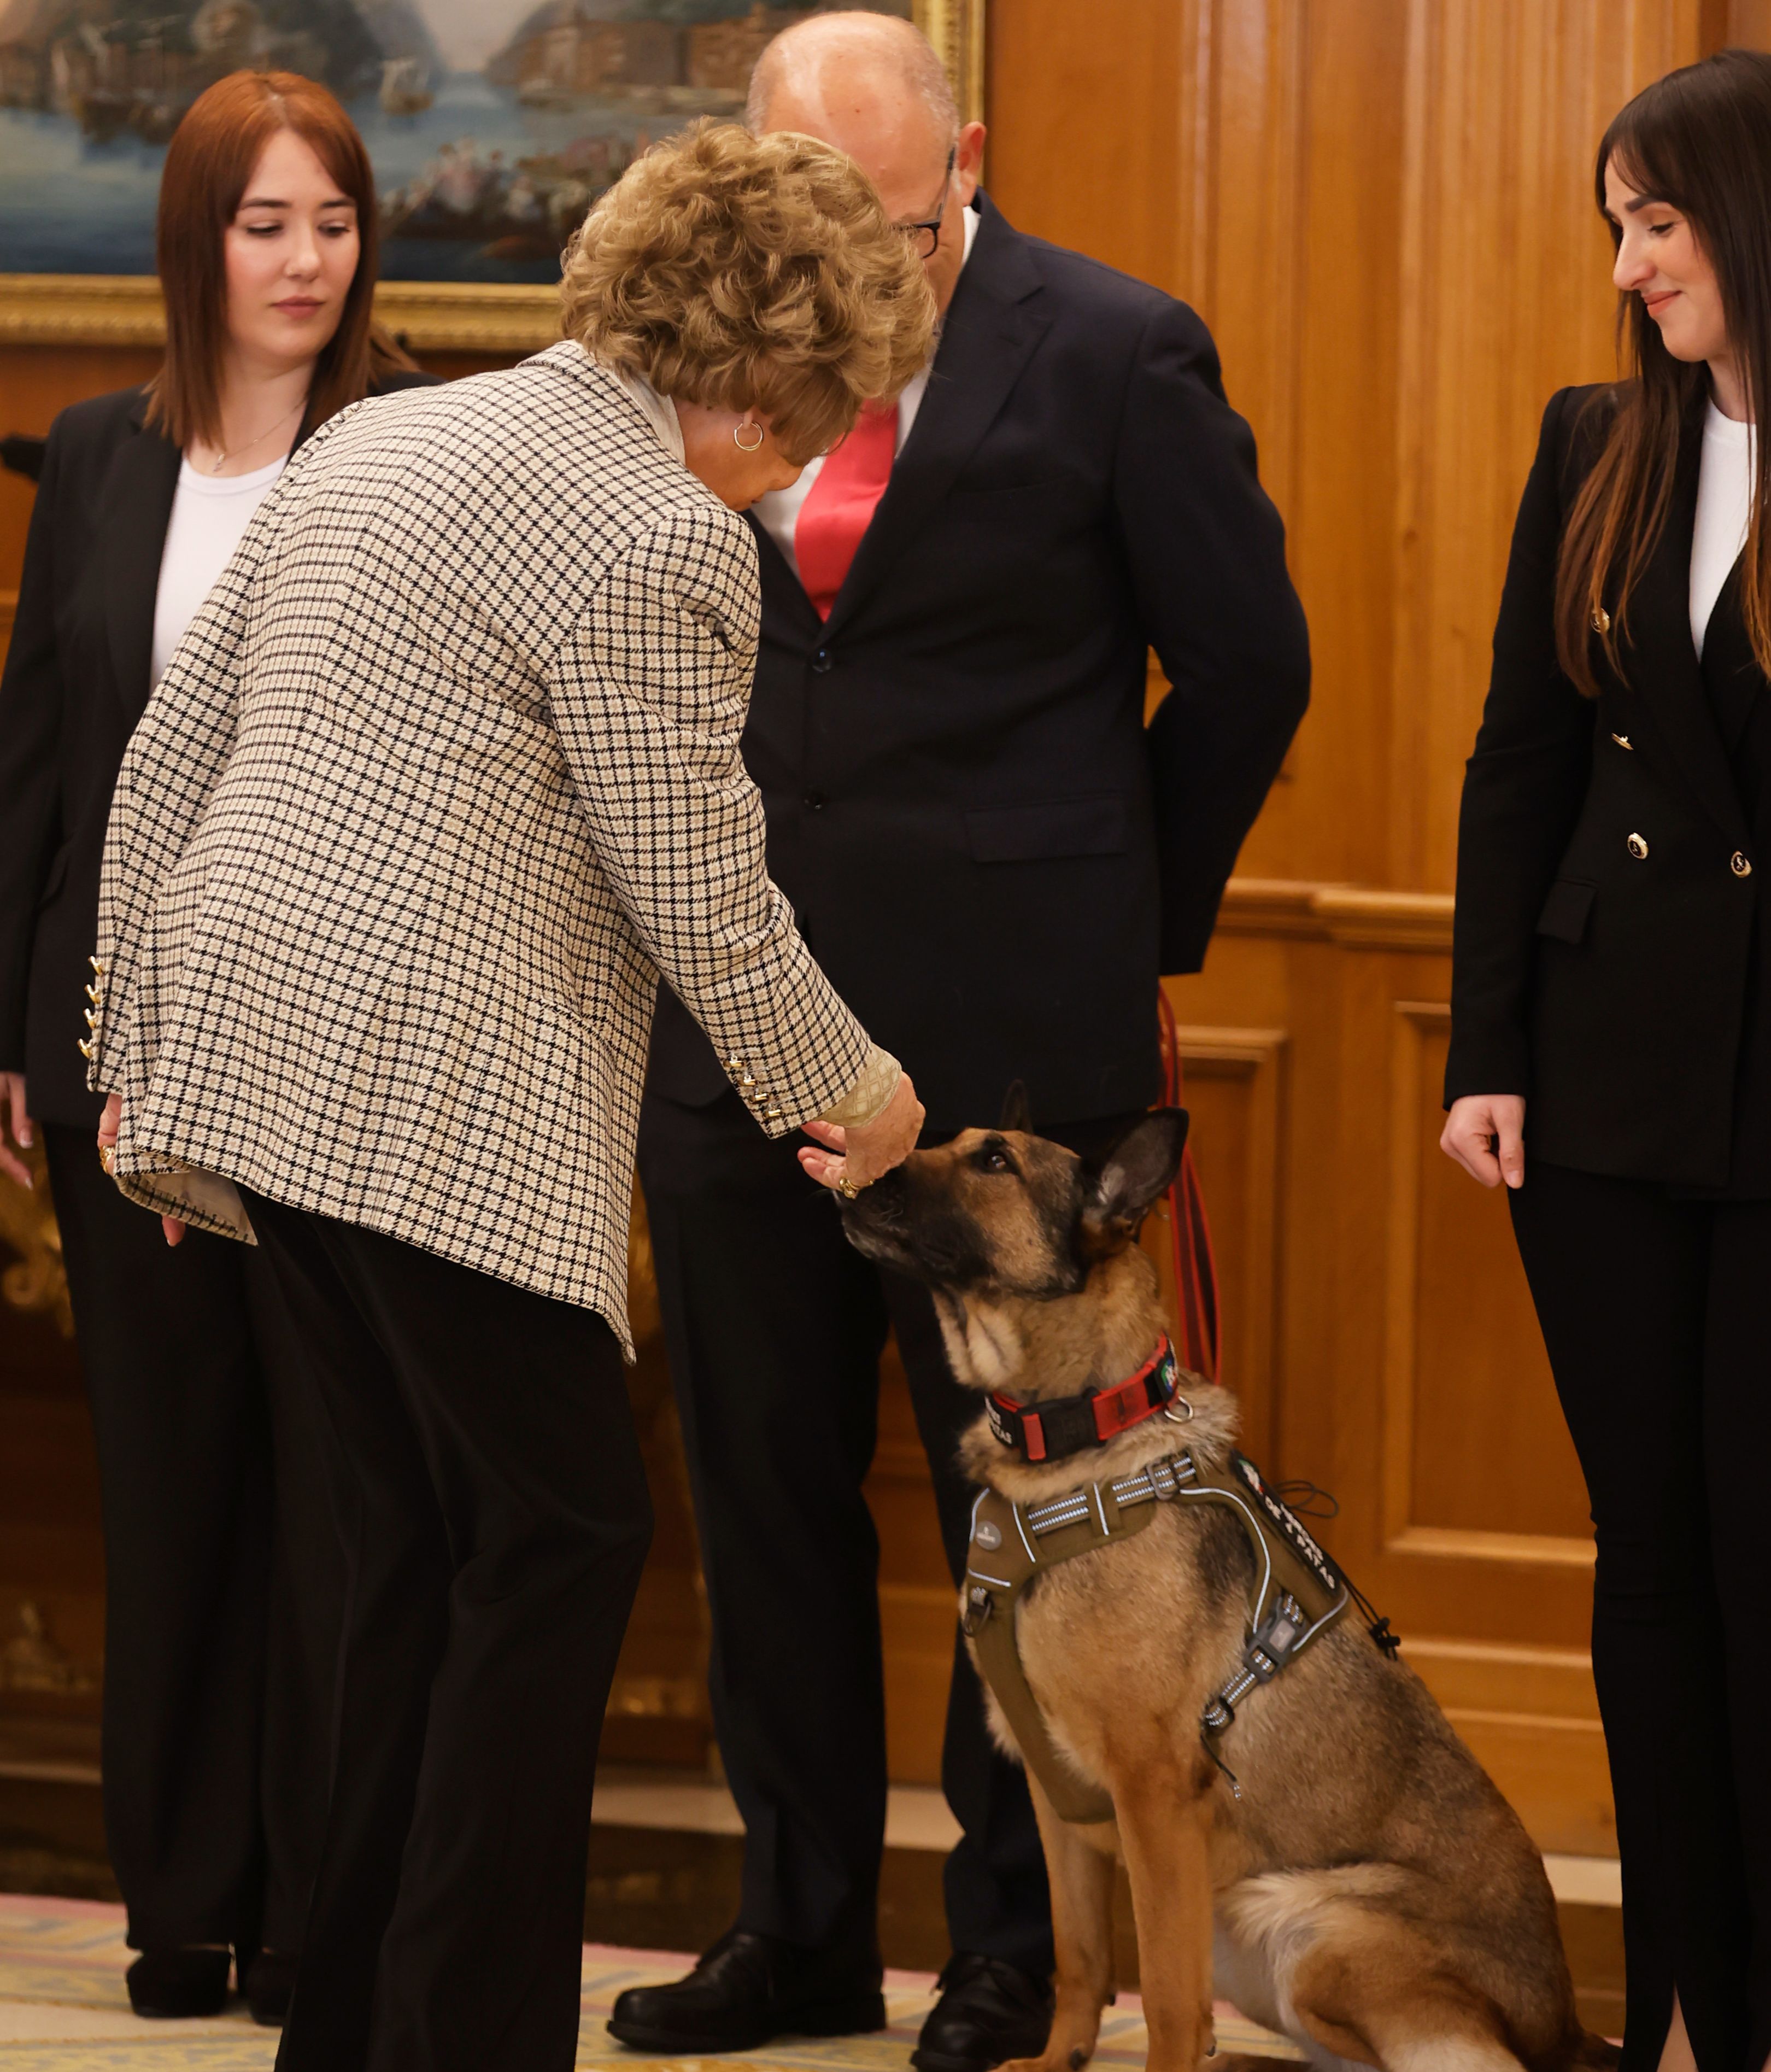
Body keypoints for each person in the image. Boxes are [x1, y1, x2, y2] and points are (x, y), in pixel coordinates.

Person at [84, 119, 933, 2072]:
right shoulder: (654, 533)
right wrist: (862, 1098)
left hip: (255, 1069)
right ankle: (455, 2035)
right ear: (750, 368)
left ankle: (362, 2032)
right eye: (818, 415)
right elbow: (699, 886)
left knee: (419, 1552)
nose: (813, 458)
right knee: (554, 1543)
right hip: (419, 1114)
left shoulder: (382, 436)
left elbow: (170, 748)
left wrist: (137, 1044)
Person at [620, 16, 1311, 2070]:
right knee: (761, 1484)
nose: (861, 270)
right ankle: (800, 1927)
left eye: (898, 223)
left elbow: (1252, 669)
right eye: (817, 220)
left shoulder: (1113, 347)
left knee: (1027, 1513)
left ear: (971, 158)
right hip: (741, 1018)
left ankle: (1016, 1955)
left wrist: (1122, 919)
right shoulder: (690, 359)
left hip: (1016, 1040)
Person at [0, 70, 432, 2025]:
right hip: (120, 1059)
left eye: (331, 222)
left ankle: (322, 1916)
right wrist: (14, 1036)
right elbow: (36, 774)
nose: (305, 261)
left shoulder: (423, 447)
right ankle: (185, 1904)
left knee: (345, 1499)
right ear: (198, 242)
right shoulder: (98, 456)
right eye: (265, 224)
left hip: (342, 1068)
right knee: (171, 1485)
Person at [1443, 48, 1771, 2072]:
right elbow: (1520, 761)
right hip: (1608, 1080)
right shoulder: (1600, 441)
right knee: (1649, 1561)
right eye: (1619, 229)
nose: (1633, 265)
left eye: (1659, 221)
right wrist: (1487, 1047)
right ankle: (1679, 2014)